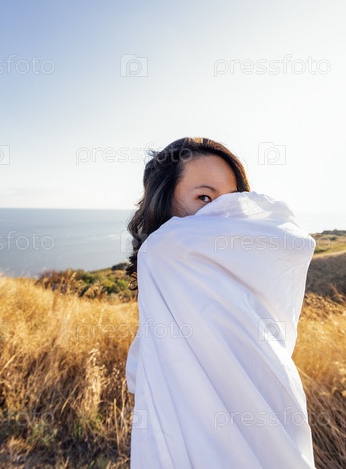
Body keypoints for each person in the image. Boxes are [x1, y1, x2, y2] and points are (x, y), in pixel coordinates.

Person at [124, 137, 316, 468]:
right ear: (164, 203)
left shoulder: (240, 269)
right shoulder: (163, 250)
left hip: (275, 422)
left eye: (232, 201)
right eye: (204, 198)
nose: (222, 214)